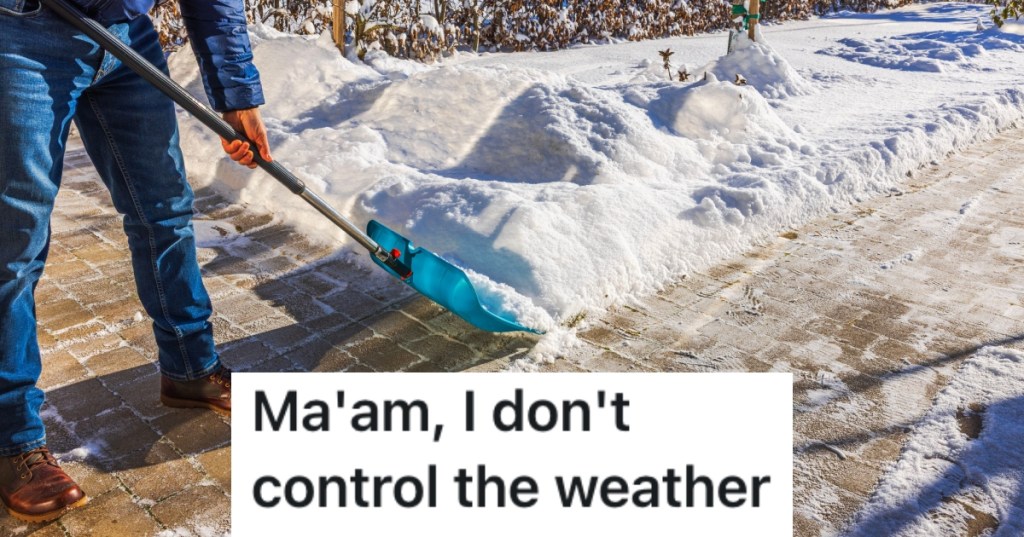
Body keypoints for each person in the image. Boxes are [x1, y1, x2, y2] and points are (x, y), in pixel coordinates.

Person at [0, 0, 272, 523]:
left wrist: (237, 94)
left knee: (165, 211)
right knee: (15, 245)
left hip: (126, 35)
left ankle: (191, 368)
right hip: (22, 34)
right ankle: (12, 439)